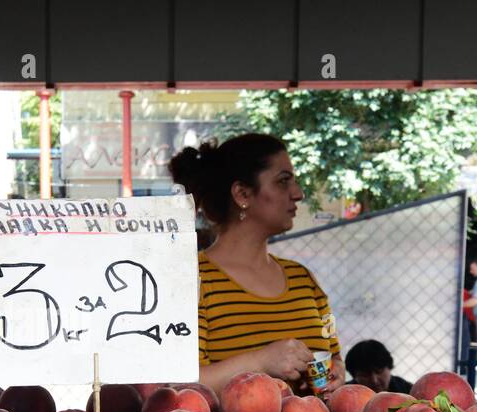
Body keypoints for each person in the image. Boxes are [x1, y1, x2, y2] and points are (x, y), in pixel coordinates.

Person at [169, 134, 345, 396]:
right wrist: (260, 362)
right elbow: (178, 387)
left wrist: (337, 371)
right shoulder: (192, 280)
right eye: (283, 182)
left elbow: (334, 355)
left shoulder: (304, 279)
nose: (298, 194)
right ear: (242, 194)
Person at [344, 339, 412, 394]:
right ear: (354, 376)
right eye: (365, 375)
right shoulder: (342, 395)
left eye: (379, 371)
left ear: (389, 367)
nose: (374, 380)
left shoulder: (408, 391)